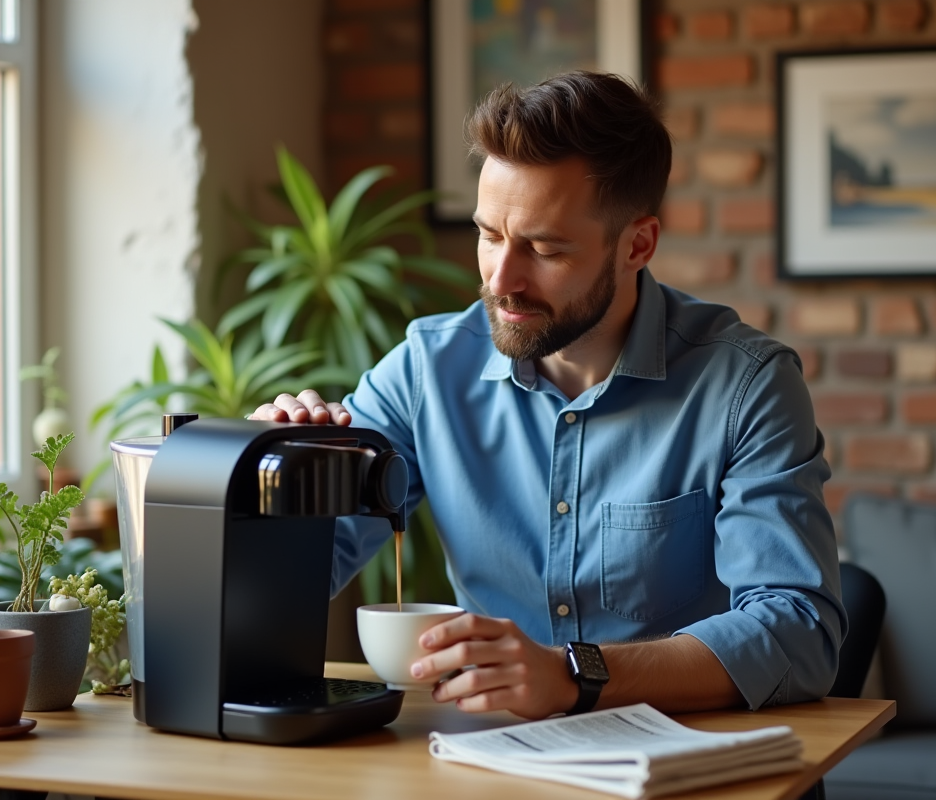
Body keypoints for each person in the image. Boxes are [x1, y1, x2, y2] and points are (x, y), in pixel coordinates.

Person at [251, 71, 845, 720]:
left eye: (544, 248)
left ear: (637, 244)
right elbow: (298, 581)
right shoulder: (426, 370)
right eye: (490, 235)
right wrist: (267, 483)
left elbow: (798, 632)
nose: (502, 280)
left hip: (690, 767)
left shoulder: (747, 386)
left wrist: (575, 676)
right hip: (491, 766)